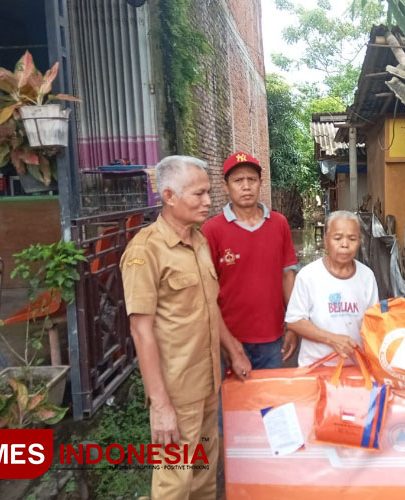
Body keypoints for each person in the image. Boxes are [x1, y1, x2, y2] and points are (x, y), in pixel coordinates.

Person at [120, 155, 252, 500]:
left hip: (208, 383)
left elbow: (210, 308)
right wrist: (160, 405)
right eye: (199, 194)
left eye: (208, 192)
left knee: (205, 472)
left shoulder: (199, 242)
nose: (209, 201)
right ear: (169, 196)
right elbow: (141, 331)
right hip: (176, 392)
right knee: (174, 482)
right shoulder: (145, 251)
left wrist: (234, 350)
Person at [201, 151, 298, 370]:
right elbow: (207, 291)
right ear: (226, 187)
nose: (246, 186)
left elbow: (287, 275)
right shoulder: (212, 230)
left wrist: (293, 324)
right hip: (230, 338)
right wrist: (225, 342)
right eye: (238, 180)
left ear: (260, 184)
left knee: (270, 401)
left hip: (272, 336)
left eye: (251, 180)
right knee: (234, 402)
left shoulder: (278, 223)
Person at [285, 210, 379, 366]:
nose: (345, 244)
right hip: (316, 366)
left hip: (356, 367)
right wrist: (332, 340)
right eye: (337, 238)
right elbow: (294, 321)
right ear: (325, 240)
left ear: (359, 241)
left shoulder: (367, 276)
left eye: (352, 239)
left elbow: (374, 322)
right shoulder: (308, 276)